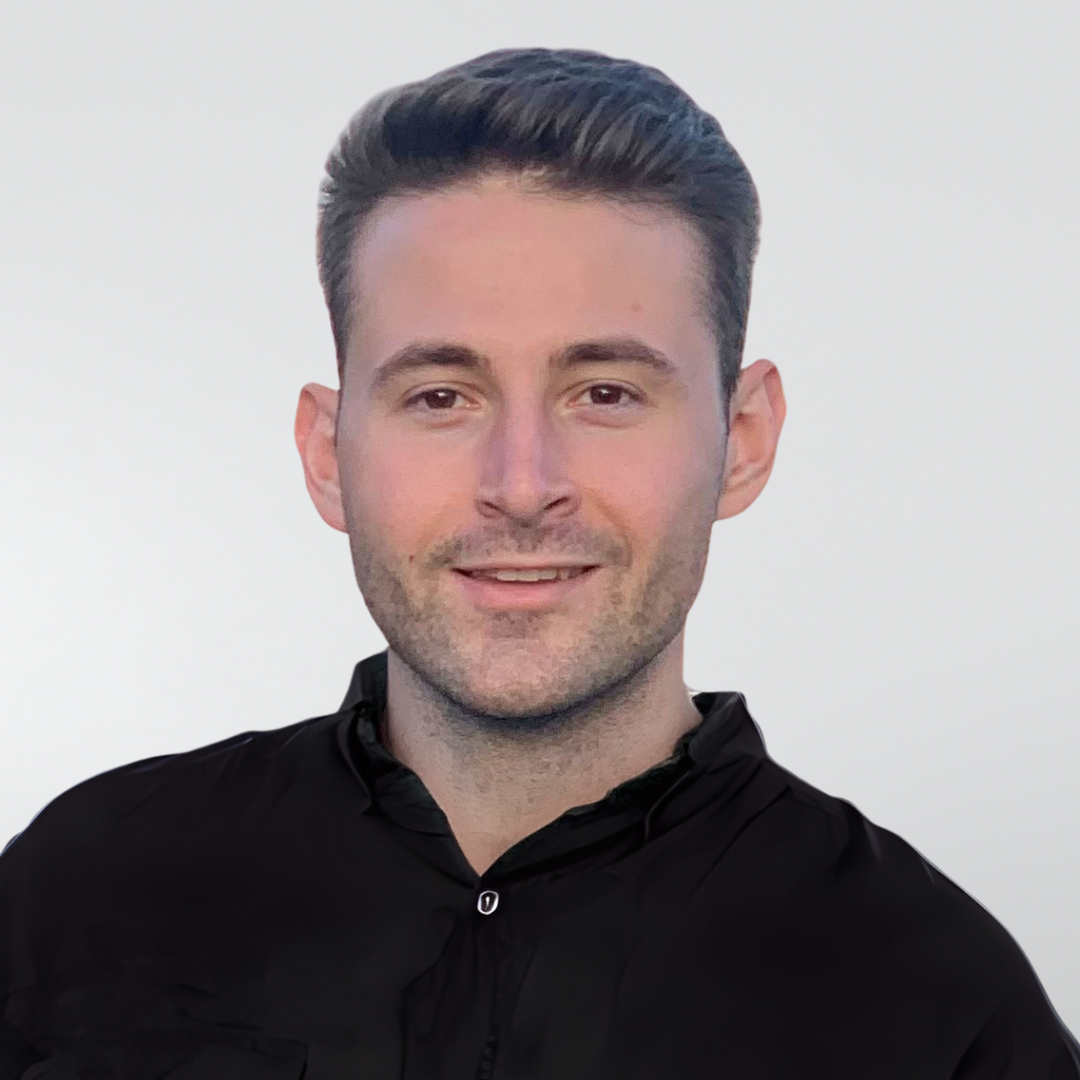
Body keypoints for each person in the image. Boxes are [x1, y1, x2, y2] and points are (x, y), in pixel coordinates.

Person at [0, 45, 1075, 1080]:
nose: (522, 483)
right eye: (440, 396)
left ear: (743, 439)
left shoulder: (938, 1001)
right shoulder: (79, 891)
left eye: (605, 393)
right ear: (329, 456)